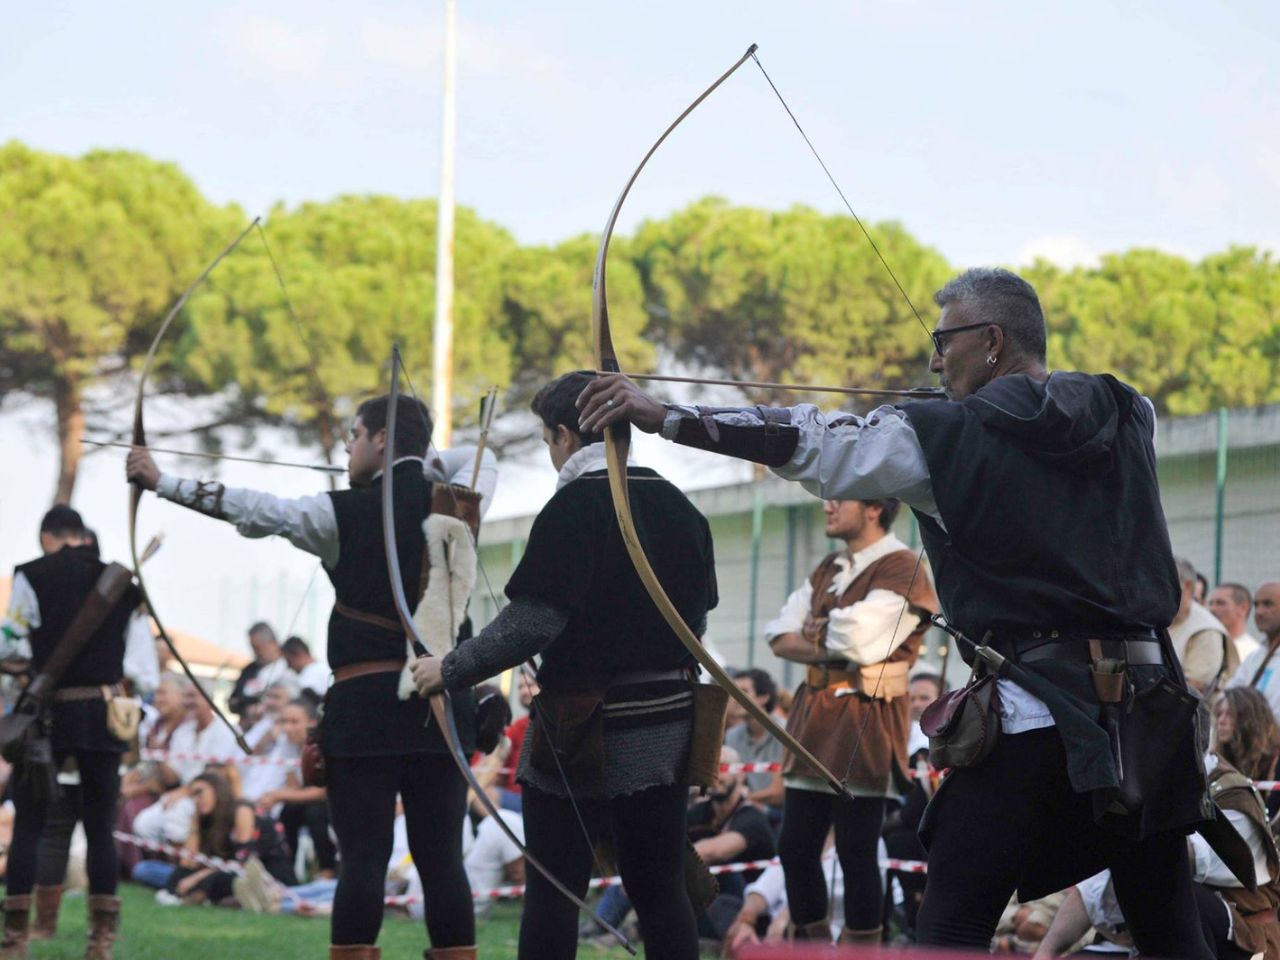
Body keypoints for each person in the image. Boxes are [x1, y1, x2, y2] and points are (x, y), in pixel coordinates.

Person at [579, 266, 1218, 956]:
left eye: (944, 342)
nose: (935, 360)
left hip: (1042, 712)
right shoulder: (1131, 410)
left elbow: (815, 442)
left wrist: (664, 415)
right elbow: (1046, 421)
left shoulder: (944, 437)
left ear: (993, 340)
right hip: (1150, 712)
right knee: (1167, 925)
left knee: (949, 926)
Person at [126, 392, 497, 960]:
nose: (345, 446)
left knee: (365, 859)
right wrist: (416, 460)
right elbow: (481, 454)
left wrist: (160, 480)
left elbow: (252, 508)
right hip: (439, 709)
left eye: (355, 434)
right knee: (441, 859)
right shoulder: (462, 499)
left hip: (366, 710)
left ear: (378, 438)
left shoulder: (337, 514)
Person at [411, 370, 718, 960]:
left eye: (547, 440)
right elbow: (694, 625)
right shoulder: (683, 509)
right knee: (659, 888)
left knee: (555, 888)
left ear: (563, 436)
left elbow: (532, 622)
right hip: (667, 725)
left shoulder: (575, 505)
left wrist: (447, 669)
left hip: (584, 729)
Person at [763, 496, 937, 944]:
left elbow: (859, 641)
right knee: (796, 849)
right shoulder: (829, 567)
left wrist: (815, 630)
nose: (828, 506)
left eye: (841, 498)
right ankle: (813, 948)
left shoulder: (902, 567)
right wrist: (831, 637)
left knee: (857, 853)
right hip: (815, 717)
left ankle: (862, 951)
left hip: (868, 716)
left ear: (875, 507)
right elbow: (778, 636)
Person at [0, 505, 160, 959]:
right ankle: (100, 942)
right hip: (101, 716)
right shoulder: (123, 584)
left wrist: (22, 669)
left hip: (46, 715)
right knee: (100, 828)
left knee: (30, 825)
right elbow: (140, 670)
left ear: (48, 537)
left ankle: (14, 942)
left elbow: (9, 643)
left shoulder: (31, 573)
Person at [1037, 687, 1280, 960]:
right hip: (1154, 937)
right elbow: (1095, 892)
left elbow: (1172, 861)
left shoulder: (1234, 797)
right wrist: (1046, 953)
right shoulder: (1157, 792)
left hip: (1243, 942)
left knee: (1173, 892)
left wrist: (1131, 831)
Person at [161, 770, 296, 906]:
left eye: (200, 792)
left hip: (265, 874)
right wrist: (195, 823)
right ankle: (209, 897)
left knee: (217, 879)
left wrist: (196, 878)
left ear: (217, 790)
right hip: (226, 870)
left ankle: (196, 897)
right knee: (177, 875)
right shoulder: (207, 817)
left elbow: (243, 862)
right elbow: (188, 861)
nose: (196, 800)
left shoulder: (241, 810)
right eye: (193, 796)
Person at [255, 699, 336, 878]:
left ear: (312, 722)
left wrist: (278, 795)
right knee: (289, 812)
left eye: (294, 722)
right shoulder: (287, 745)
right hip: (308, 797)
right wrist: (277, 797)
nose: (287, 728)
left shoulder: (325, 743)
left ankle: (327, 869)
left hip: (334, 800)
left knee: (315, 813)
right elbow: (294, 787)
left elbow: (324, 791)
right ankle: (286, 871)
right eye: (284, 722)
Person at [724, 669, 785, 828]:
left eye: (743, 691)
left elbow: (779, 794)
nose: (735, 698)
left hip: (781, 815)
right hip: (747, 809)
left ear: (763, 697)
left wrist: (741, 797)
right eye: (733, 691)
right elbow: (733, 780)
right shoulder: (732, 735)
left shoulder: (786, 733)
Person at [1170, 558, 1236, 693]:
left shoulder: (1206, 631)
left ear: (1187, 586)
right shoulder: (1156, 619)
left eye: (1162, 583)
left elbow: (1193, 689)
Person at [1227, 583, 1280, 726]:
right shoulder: (1254, 658)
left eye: (1268, 604)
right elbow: (1229, 699)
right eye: (1257, 605)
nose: (1260, 611)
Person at [228, 623, 289, 726]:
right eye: (253, 648)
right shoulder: (249, 670)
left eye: (258, 648)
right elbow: (233, 702)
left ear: (272, 643)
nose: (256, 653)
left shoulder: (288, 666)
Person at [1211, 584, 1261, 665]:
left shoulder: (1252, 653)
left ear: (1243, 608)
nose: (1213, 609)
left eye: (1221, 603)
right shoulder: (1206, 645)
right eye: (1211, 603)